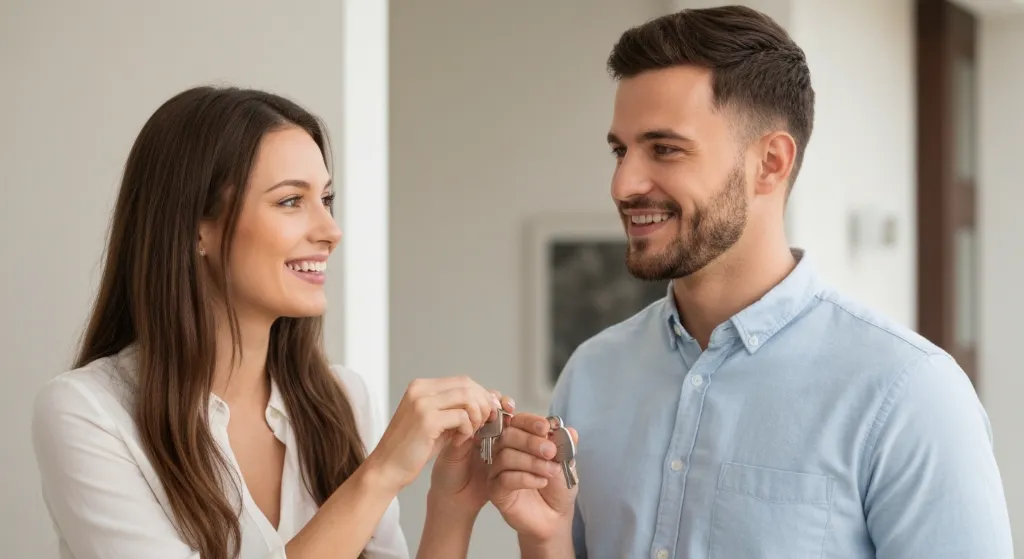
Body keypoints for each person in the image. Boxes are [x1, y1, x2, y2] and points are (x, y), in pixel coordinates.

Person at [486, 6, 1014, 558]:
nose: (623, 184)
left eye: (664, 149)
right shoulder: (591, 375)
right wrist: (543, 537)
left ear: (770, 162)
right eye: (621, 151)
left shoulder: (910, 394)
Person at [30, 86, 538, 559]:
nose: (331, 231)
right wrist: (381, 473)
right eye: (291, 201)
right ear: (196, 229)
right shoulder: (88, 413)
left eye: (326, 200)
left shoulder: (343, 400)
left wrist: (452, 504)